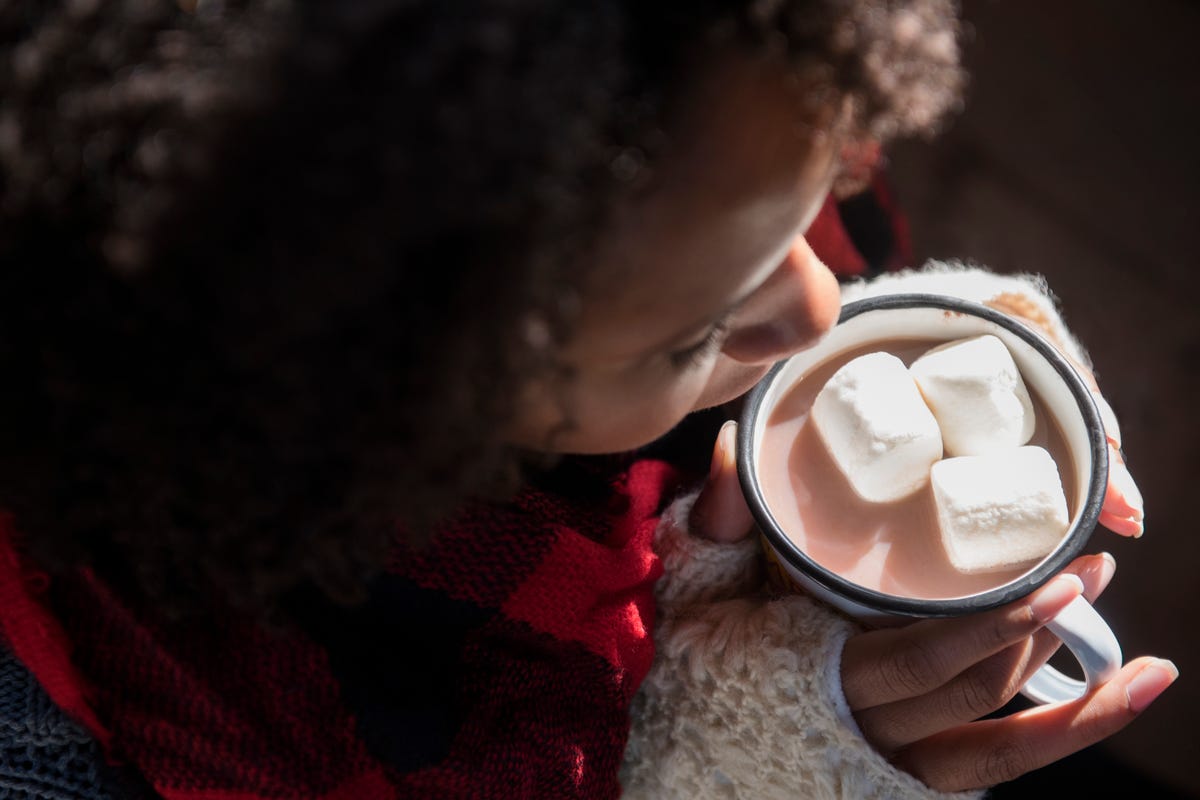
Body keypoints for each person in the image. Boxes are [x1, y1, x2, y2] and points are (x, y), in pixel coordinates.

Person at [0, 1, 1171, 798]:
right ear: (409, 411)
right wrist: (732, 756)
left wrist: (936, 336)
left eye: (819, 188)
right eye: (703, 325)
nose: (820, 309)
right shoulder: (283, 679)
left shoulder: (668, 109)